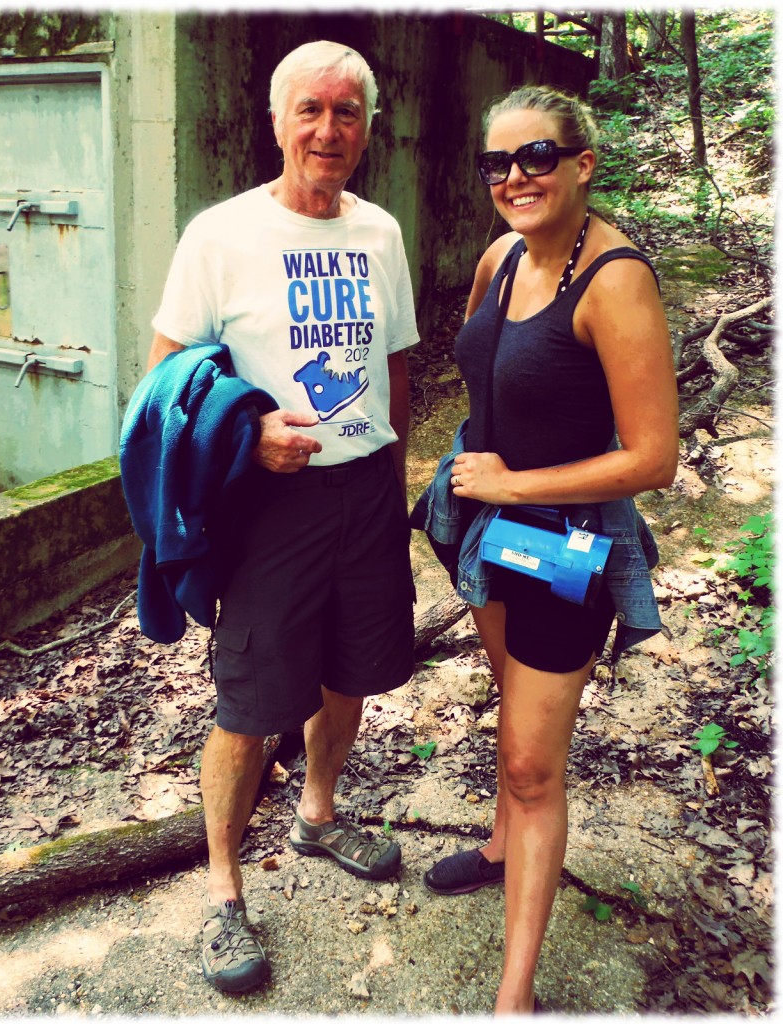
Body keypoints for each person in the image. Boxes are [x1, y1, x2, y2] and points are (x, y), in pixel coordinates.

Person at [144, 40, 419, 994]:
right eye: (311, 109)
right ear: (277, 121)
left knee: (352, 672)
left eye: (348, 113)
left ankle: (317, 813)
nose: (328, 129)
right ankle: (222, 892)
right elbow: (165, 382)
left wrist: (394, 462)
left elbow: (396, 363)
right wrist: (251, 434)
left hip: (366, 490)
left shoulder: (381, 232)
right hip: (269, 508)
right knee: (250, 700)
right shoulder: (221, 235)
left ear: (368, 129)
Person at [414, 85, 679, 1014]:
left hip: (566, 546)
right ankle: (500, 843)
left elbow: (652, 458)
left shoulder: (617, 281)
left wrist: (510, 484)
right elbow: (488, 382)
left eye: (536, 157)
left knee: (534, 763)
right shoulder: (501, 257)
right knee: (510, 699)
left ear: (582, 164)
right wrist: (478, 484)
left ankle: (514, 997)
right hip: (485, 534)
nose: (515, 176)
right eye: (498, 162)